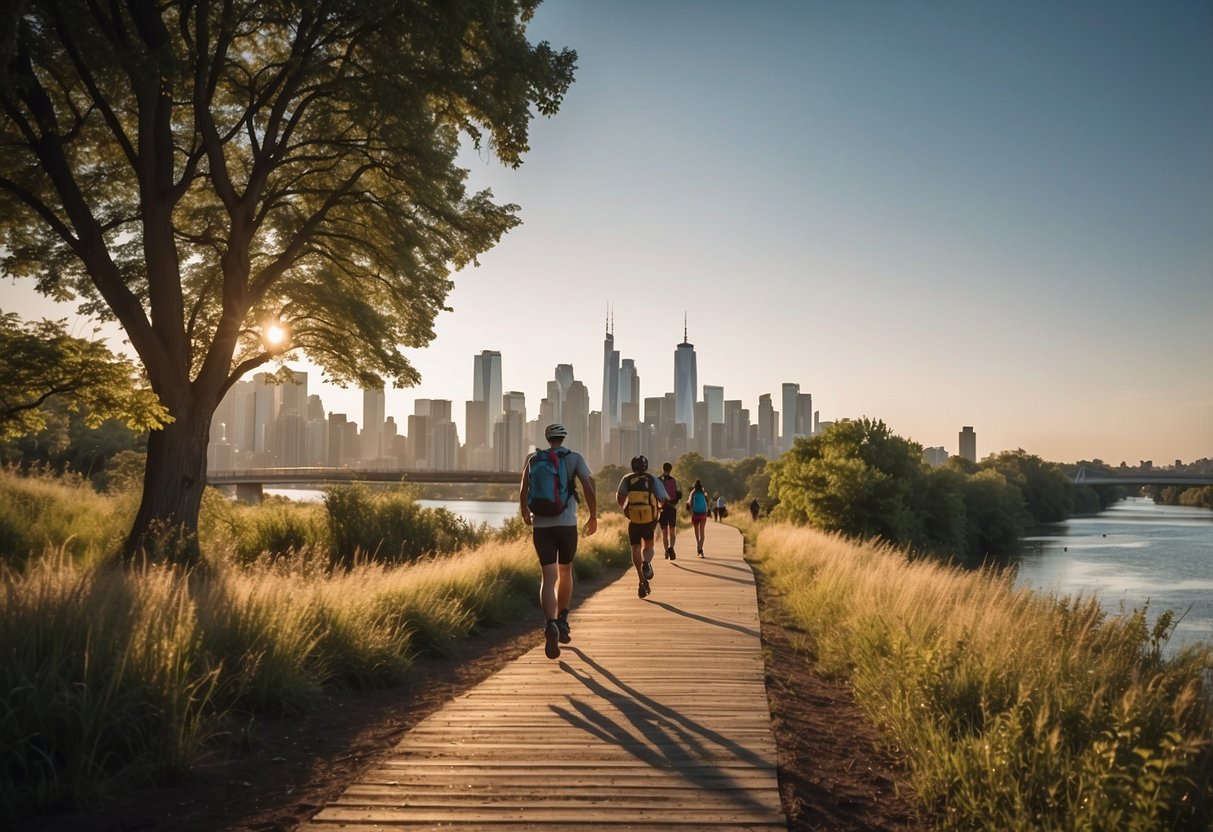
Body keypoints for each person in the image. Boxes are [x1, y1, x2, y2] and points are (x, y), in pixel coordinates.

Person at [519, 423, 597, 660]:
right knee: (566, 571)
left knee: (548, 576)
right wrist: (593, 516)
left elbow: (524, 488)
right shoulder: (574, 458)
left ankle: (550, 623)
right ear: (563, 438)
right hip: (566, 524)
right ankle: (563, 620)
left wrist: (524, 513)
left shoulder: (534, 459)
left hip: (541, 525)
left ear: (547, 438)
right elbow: (587, 486)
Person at [616, 455, 668, 598]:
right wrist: (657, 508)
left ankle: (641, 580)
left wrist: (628, 509)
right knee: (649, 546)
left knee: (635, 548)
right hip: (649, 520)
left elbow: (620, 498)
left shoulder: (627, 479)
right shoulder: (652, 479)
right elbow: (663, 499)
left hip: (633, 521)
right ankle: (646, 562)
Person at [657, 462, 681, 559]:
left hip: (662, 508)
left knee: (664, 533)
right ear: (671, 469)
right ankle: (672, 547)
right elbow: (678, 495)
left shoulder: (658, 481)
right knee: (672, 531)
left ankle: (666, 551)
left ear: (663, 469)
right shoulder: (674, 481)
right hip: (672, 508)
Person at [686, 479, 709, 556]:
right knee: (702, 532)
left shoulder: (693, 492)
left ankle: (698, 546)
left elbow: (689, 503)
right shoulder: (703, 492)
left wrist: (690, 510)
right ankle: (700, 548)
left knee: (696, 531)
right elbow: (707, 502)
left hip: (695, 514)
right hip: (703, 514)